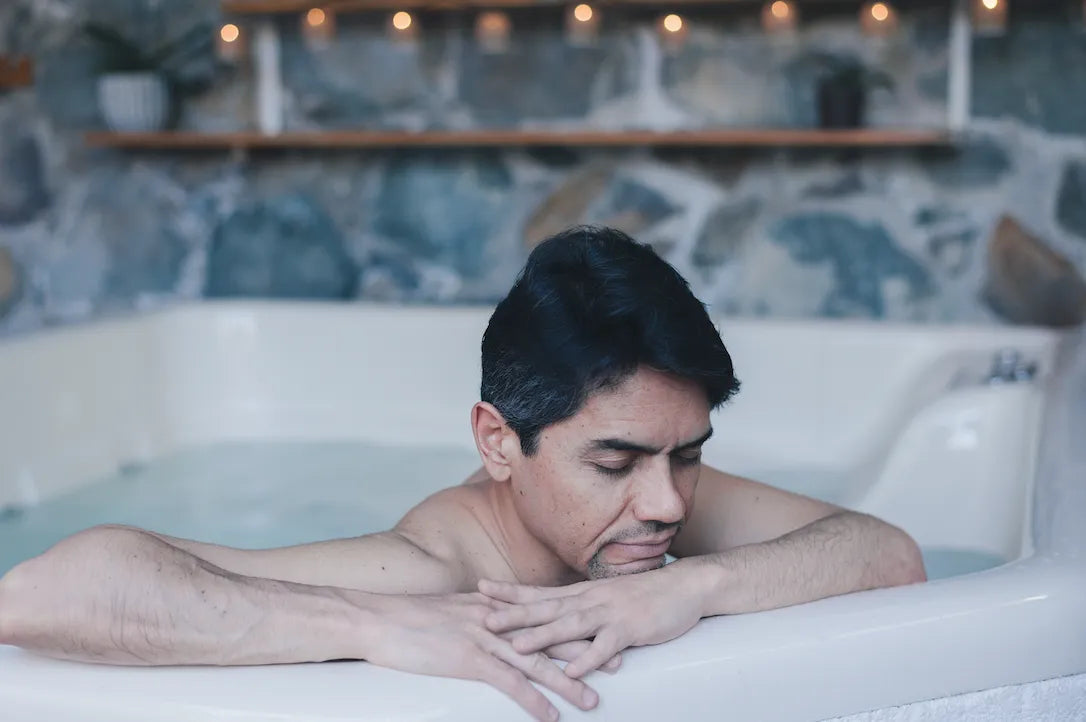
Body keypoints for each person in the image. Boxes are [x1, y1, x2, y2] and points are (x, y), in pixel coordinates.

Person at [0, 226, 926, 721]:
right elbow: (41, 591)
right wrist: (366, 625)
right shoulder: (433, 571)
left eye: (689, 453)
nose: (669, 503)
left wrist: (694, 591)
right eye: (615, 462)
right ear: (497, 442)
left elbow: (885, 555)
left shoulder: (658, 504)